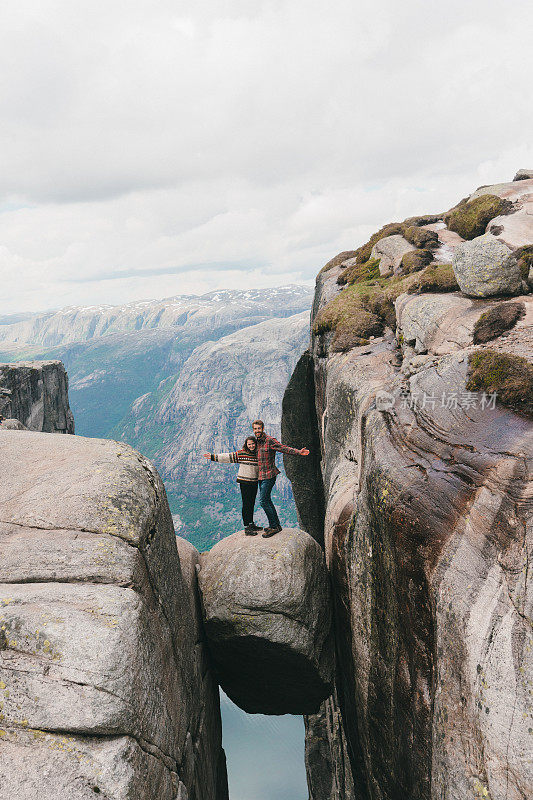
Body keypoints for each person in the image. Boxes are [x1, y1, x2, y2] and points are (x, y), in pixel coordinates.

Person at [252, 419, 309, 537]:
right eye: (255, 429)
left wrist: (298, 452)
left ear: (262, 428)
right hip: (260, 476)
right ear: (253, 430)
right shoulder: (255, 442)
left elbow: (283, 448)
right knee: (266, 500)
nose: (257, 431)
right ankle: (275, 525)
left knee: (263, 501)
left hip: (269, 475)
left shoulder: (269, 440)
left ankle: (274, 527)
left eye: (259, 428)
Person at [203, 436, 263, 536]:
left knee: (251, 503)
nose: (251, 446)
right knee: (246, 503)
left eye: (253, 444)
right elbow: (228, 457)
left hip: (254, 482)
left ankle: (251, 523)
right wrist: (213, 457)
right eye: (249, 444)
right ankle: (247, 527)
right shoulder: (242, 453)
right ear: (246, 445)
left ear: (255, 444)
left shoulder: (258, 454)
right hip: (244, 482)